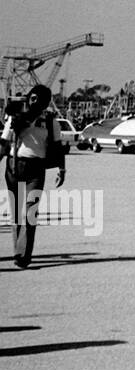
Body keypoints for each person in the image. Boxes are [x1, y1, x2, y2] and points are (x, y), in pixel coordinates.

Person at [1, 84, 66, 268]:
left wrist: (62, 169)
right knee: (15, 213)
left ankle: (23, 255)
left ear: (45, 102)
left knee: (30, 213)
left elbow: (58, 147)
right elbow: (4, 143)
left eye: (40, 99)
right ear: (29, 96)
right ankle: (18, 250)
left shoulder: (50, 121)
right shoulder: (15, 116)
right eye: (33, 96)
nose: (34, 100)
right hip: (14, 167)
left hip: (36, 170)